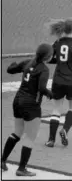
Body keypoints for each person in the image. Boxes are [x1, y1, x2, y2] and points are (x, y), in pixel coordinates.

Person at [1, 44, 53, 176]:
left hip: (17, 101)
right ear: (48, 57)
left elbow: (10, 70)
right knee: (30, 137)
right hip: (31, 105)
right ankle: (21, 169)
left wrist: (13, 63)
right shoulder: (44, 69)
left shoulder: (27, 62)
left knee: (17, 132)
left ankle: (2, 160)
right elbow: (41, 88)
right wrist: (50, 94)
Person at [44, 18, 72, 148]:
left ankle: (51, 140)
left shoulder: (57, 43)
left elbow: (50, 59)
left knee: (56, 109)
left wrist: (58, 60)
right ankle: (65, 130)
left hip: (58, 80)